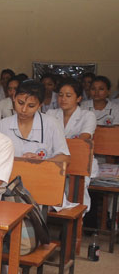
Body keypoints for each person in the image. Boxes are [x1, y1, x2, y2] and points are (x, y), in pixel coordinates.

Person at [47, 77, 98, 210]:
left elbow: (81, 143)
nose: (63, 99)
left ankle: (76, 218)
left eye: (68, 95)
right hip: (55, 160)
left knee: (75, 189)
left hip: (78, 160)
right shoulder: (51, 114)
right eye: (61, 95)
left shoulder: (87, 116)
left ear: (79, 98)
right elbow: (46, 140)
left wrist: (59, 145)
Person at [0, 80, 70, 163]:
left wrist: (41, 163)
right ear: (14, 97)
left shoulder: (51, 124)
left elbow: (65, 157)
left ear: (40, 105)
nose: (24, 109)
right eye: (20, 103)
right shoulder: (2, 126)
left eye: (31, 106)